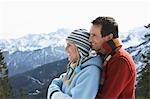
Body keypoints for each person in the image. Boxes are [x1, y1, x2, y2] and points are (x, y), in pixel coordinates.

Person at [89, 16, 136, 99]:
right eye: (90, 35)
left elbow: (106, 97)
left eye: (94, 35)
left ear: (109, 37)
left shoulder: (120, 60)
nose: (90, 39)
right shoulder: (107, 56)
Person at [47, 29, 102, 99]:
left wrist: (54, 94)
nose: (66, 49)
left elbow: (56, 84)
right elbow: (58, 81)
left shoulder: (90, 73)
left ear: (80, 49)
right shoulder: (77, 67)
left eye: (69, 45)